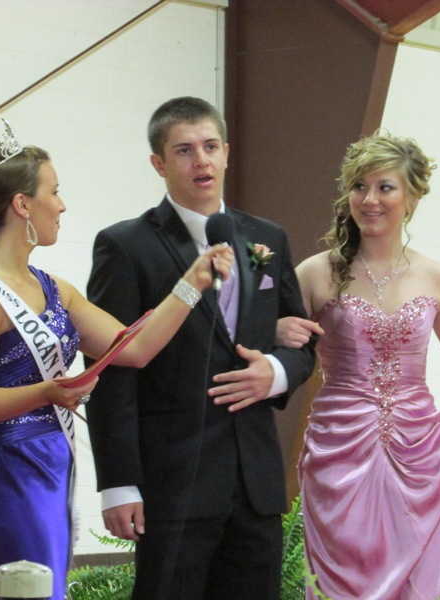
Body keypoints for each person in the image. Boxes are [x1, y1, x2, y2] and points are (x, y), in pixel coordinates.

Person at [0, 120, 233, 600]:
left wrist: (191, 283)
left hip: (51, 471)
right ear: (22, 205)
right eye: (54, 191)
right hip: (4, 477)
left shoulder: (55, 287)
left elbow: (133, 349)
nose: (62, 204)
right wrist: (47, 392)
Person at [84, 96, 317, 600]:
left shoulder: (267, 238)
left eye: (211, 147)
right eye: (184, 150)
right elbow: (110, 369)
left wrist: (274, 372)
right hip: (172, 480)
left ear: (227, 153)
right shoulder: (126, 246)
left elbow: (301, 341)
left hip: (253, 480)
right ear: (159, 163)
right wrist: (118, 482)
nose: (201, 161)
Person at [278, 131, 440, 599]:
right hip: (339, 452)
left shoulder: (436, 277)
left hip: (421, 452)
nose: (369, 199)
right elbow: (273, 347)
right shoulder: (314, 273)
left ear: (411, 198)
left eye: (384, 187)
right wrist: (276, 331)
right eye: (359, 186)